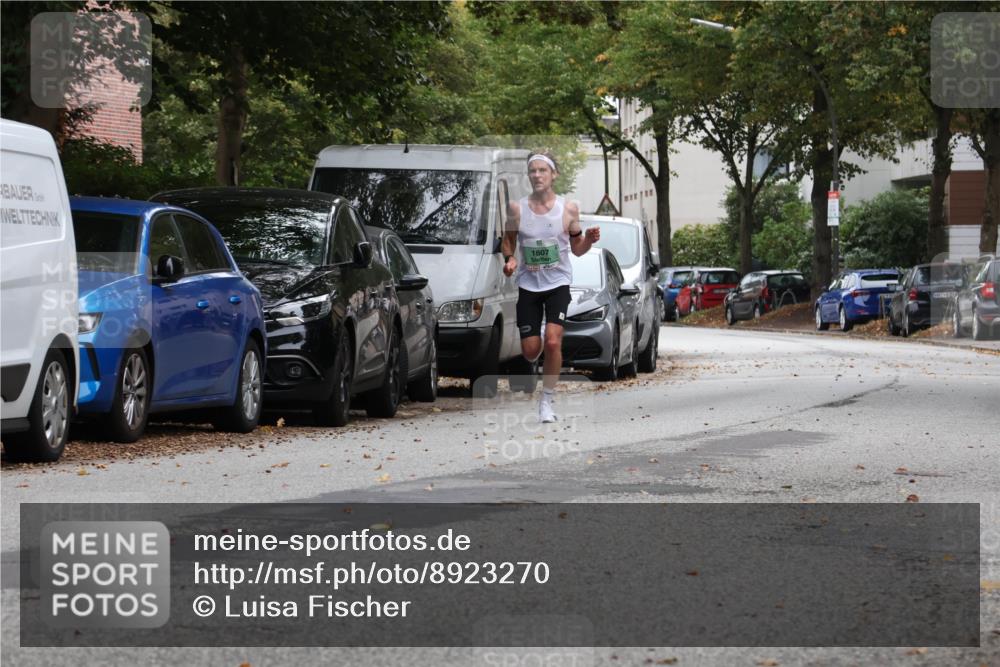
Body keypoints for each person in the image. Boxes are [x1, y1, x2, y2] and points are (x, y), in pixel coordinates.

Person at [502, 150, 600, 423]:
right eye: (532, 171)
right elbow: (508, 241)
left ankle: (546, 402)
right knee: (531, 351)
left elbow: (578, 249)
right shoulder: (516, 208)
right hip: (529, 286)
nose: (537, 175)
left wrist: (589, 240)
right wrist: (510, 259)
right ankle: (542, 332)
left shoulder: (568, 209)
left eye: (542, 170)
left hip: (558, 283)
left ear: (553, 174)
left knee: (554, 341)